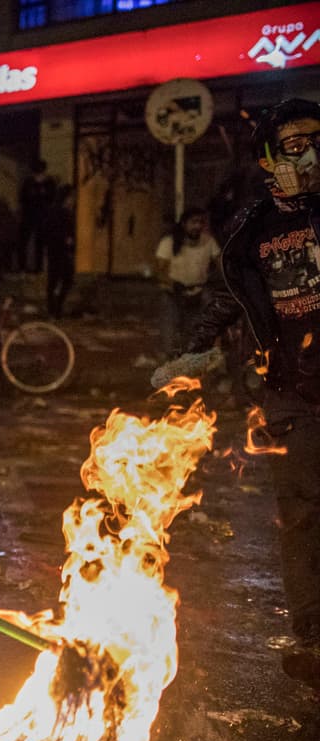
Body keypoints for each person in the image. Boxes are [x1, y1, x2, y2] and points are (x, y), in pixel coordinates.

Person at [153, 98, 320, 689]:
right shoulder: (253, 230)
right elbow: (226, 295)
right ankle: (312, 637)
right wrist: (194, 350)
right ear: (270, 159)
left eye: (316, 142)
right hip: (293, 394)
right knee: (302, 515)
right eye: (296, 146)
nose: (311, 156)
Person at [155, 208, 220, 357]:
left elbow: (220, 262)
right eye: (193, 222)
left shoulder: (208, 241)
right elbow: (160, 269)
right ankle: (169, 361)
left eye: (200, 222)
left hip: (198, 291)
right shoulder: (169, 242)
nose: (197, 226)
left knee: (198, 326)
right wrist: (173, 284)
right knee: (170, 329)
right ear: (184, 223)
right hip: (172, 292)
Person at [44, 184, 76, 319]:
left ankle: (56, 307)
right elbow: (52, 231)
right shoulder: (56, 212)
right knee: (55, 279)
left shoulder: (67, 212)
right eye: (71, 197)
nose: (72, 200)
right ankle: (53, 308)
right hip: (57, 250)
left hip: (63, 251)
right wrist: (64, 240)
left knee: (65, 279)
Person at [18, 160, 56, 274]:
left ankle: (37, 268)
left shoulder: (49, 182)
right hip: (29, 214)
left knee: (39, 241)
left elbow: (51, 198)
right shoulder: (28, 182)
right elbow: (23, 198)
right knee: (24, 240)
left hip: (42, 215)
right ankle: (23, 266)